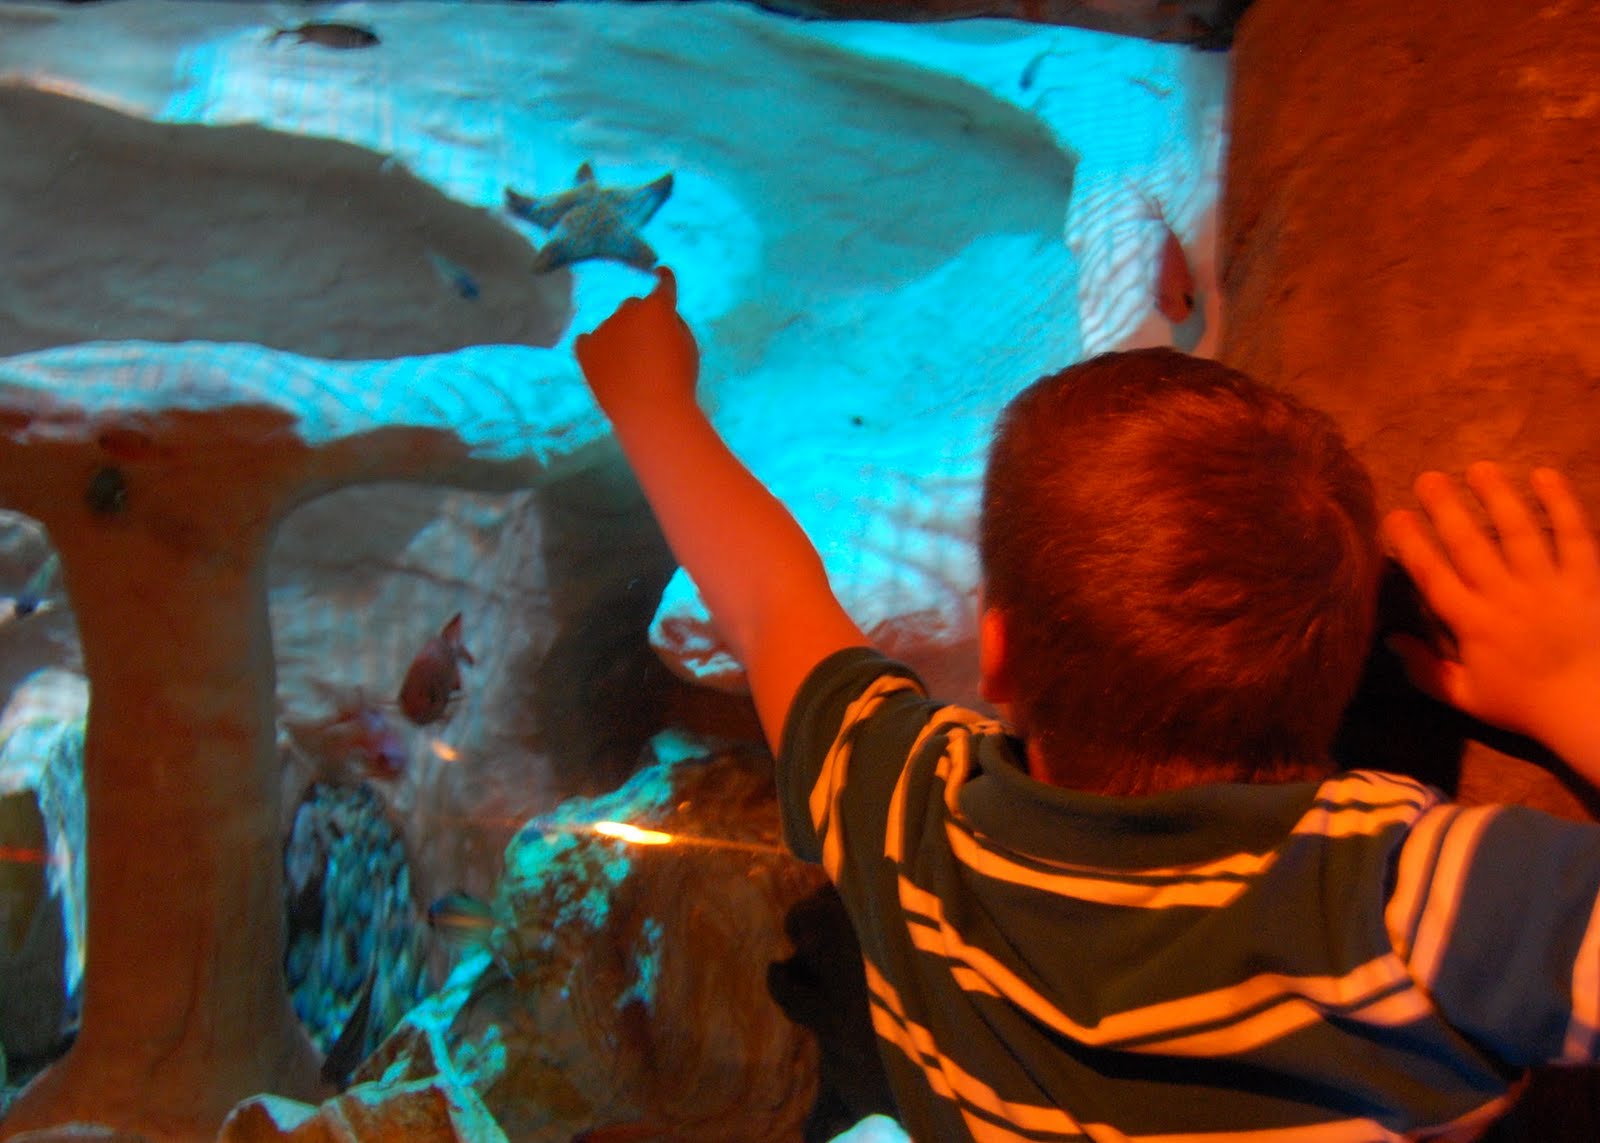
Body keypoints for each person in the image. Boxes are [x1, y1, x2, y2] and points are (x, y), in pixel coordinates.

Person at [575, 267, 1600, 1142]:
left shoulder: (900, 810)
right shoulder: (1401, 903)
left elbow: (766, 608)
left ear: (998, 655)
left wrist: (651, 405)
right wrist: (1568, 681)